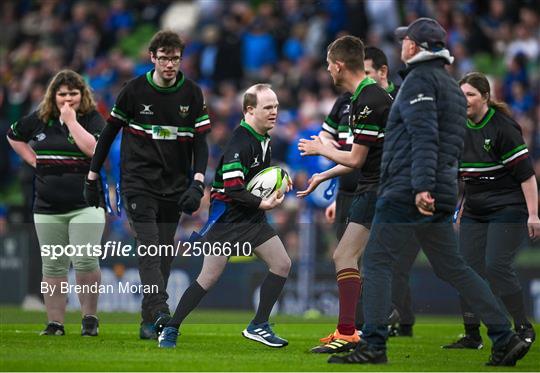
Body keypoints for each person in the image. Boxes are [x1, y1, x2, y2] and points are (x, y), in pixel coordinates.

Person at [329, 18, 530, 366]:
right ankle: (503, 336)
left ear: (415, 47)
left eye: (406, 40)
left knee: (376, 261)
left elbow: (424, 137)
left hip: (409, 188)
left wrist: (421, 186)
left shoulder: (419, 83)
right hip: (441, 188)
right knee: (455, 267)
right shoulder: (452, 87)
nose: (402, 44)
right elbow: (447, 143)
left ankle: (373, 344)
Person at [84, 30, 211, 340]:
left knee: (164, 253)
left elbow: (201, 143)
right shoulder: (133, 91)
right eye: (164, 58)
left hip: (175, 185)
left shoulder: (193, 94)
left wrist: (197, 182)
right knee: (150, 247)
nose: (170, 64)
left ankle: (147, 320)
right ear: (153, 58)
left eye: (175, 58)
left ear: (181, 60)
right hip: (138, 182)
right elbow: (108, 136)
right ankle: (160, 311)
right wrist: (92, 176)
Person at [158, 84, 292, 349]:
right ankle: (171, 328)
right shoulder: (241, 142)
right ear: (249, 110)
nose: (274, 112)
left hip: (250, 217)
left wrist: (280, 181)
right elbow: (232, 187)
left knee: (282, 264)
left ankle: (259, 325)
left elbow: (255, 180)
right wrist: (264, 203)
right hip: (228, 220)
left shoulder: (263, 138)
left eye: (276, 106)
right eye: (268, 107)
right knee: (207, 279)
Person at [297, 35, 393, 353]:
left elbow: (356, 159)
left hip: (377, 189)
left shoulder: (369, 100)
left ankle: (351, 331)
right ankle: (356, 329)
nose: (327, 71)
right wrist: (323, 174)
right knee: (360, 259)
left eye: (328, 65)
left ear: (339, 65)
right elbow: (360, 159)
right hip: (378, 187)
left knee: (346, 256)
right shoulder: (363, 98)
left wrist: (321, 148)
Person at [442, 72, 537, 350]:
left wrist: (533, 214)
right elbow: (467, 177)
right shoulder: (456, 129)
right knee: (465, 268)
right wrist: (460, 208)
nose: (465, 100)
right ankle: (472, 335)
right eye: (461, 95)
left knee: (496, 266)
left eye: (470, 94)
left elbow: (527, 176)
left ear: (485, 97)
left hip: (508, 207)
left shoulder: (502, 127)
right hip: (474, 208)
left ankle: (522, 325)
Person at [7, 69, 106, 336]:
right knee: (53, 264)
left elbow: (95, 150)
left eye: (73, 93)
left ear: (82, 95)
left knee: (85, 261)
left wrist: (71, 121)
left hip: (86, 204)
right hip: (47, 206)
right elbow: (13, 135)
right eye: (62, 94)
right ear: (53, 95)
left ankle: (89, 319)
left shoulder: (93, 119)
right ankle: (55, 323)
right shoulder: (40, 119)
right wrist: (32, 160)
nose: (68, 98)